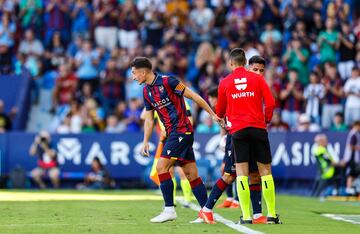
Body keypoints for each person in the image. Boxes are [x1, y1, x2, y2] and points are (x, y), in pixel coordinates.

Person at [131, 57, 221, 223]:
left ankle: (169, 209)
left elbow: (194, 96)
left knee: (161, 167)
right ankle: (206, 212)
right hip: (173, 134)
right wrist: (145, 141)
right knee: (191, 174)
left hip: (182, 131)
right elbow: (150, 119)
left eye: (134, 73)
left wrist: (212, 114)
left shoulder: (169, 82)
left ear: (143, 72)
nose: (133, 77)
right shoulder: (146, 92)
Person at [200, 56, 268, 224]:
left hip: (247, 132)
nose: (258, 73)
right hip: (236, 135)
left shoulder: (240, 83)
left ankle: (258, 215)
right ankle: (206, 209)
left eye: (261, 70)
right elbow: (223, 111)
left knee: (254, 174)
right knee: (230, 175)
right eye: (255, 69)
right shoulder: (230, 84)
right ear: (246, 65)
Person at [215, 48, 280, 224]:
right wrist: (265, 119)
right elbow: (271, 102)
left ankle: (246, 216)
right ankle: (272, 215)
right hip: (258, 128)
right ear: (245, 63)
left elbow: (220, 110)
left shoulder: (225, 82)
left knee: (242, 173)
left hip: (238, 131)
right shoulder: (257, 79)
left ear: (230, 63)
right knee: (265, 172)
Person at [341, 121, 360, 195]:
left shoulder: (356, 133)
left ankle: (352, 188)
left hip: (354, 158)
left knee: (355, 173)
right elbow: (351, 146)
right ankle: (348, 189)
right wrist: (358, 148)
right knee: (351, 174)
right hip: (352, 158)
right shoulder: (354, 134)